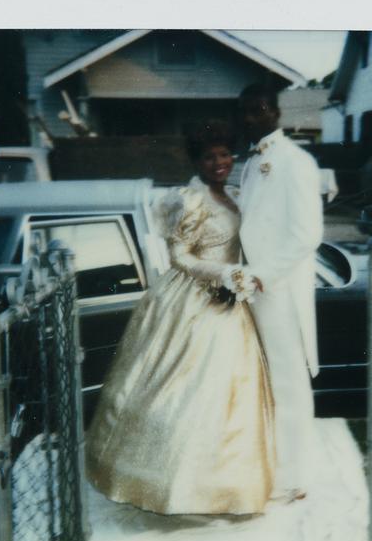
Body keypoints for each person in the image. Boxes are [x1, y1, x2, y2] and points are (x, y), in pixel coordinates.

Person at [85, 122, 275, 516]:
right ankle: (167, 482)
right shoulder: (189, 199)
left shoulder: (236, 195)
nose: (219, 162)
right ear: (197, 160)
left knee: (228, 393)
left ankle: (225, 486)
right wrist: (221, 275)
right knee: (180, 388)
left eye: (225, 154)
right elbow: (181, 257)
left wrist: (241, 276)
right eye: (210, 156)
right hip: (191, 300)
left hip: (229, 299)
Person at [237, 84, 324, 503]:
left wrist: (261, 276)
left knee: (289, 384)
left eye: (259, 110)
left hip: (280, 289)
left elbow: (307, 234)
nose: (251, 119)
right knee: (268, 382)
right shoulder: (252, 163)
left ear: (274, 111)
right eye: (246, 113)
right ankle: (275, 464)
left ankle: (295, 477)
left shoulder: (296, 162)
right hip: (255, 291)